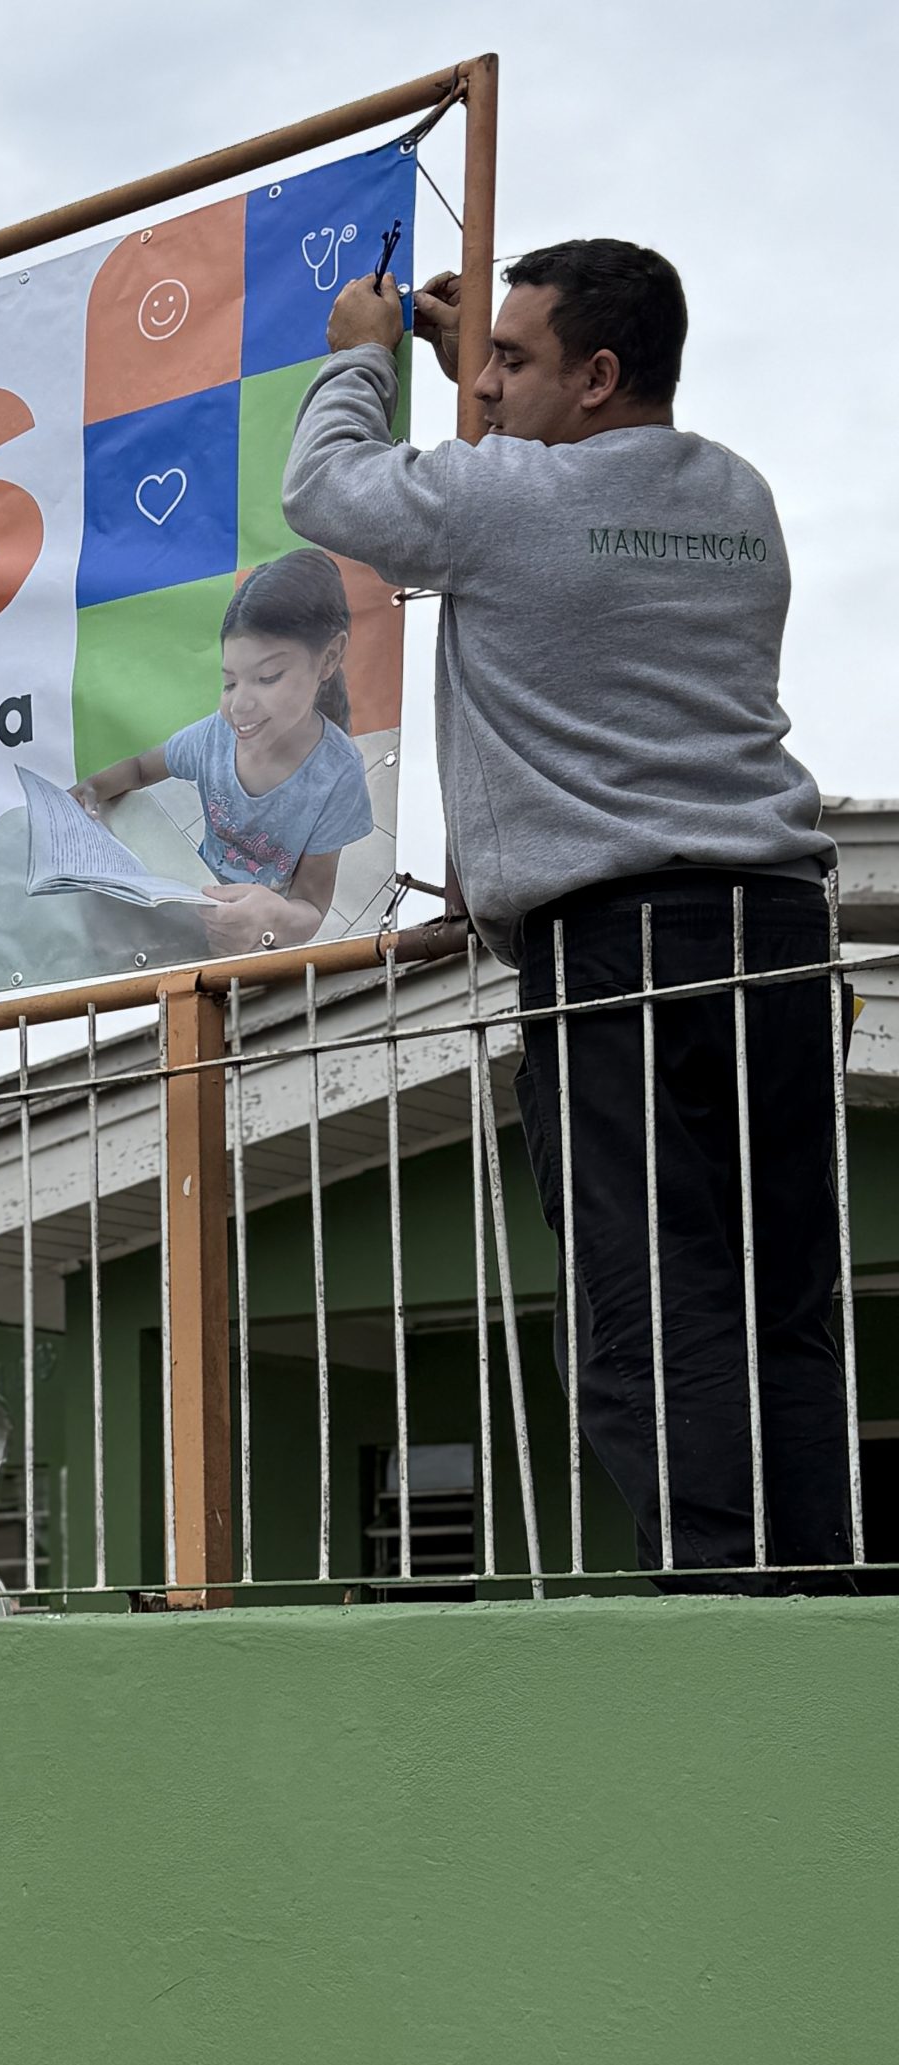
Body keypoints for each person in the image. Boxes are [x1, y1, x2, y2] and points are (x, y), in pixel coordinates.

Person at [280, 240, 852, 1586]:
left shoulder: (506, 500)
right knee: (781, 1296)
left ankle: (720, 1596)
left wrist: (364, 356)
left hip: (619, 943)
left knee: (647, 1297)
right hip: (778, 929)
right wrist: (476, 369)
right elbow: (591, 519)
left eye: (512, 360)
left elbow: (324, 487)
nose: (483, 387)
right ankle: (817, 1582)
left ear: (597, 377)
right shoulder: (739, 496)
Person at [71, 549, 371, 954]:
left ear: (329, 658)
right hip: (194, 899)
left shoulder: (337, 776)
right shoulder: (216, 736)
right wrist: (92, 788)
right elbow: (141, 769)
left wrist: (271, 917)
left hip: (262, 937)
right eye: (230, 683)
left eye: (268, 677)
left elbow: (311, 906)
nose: (239, 705)